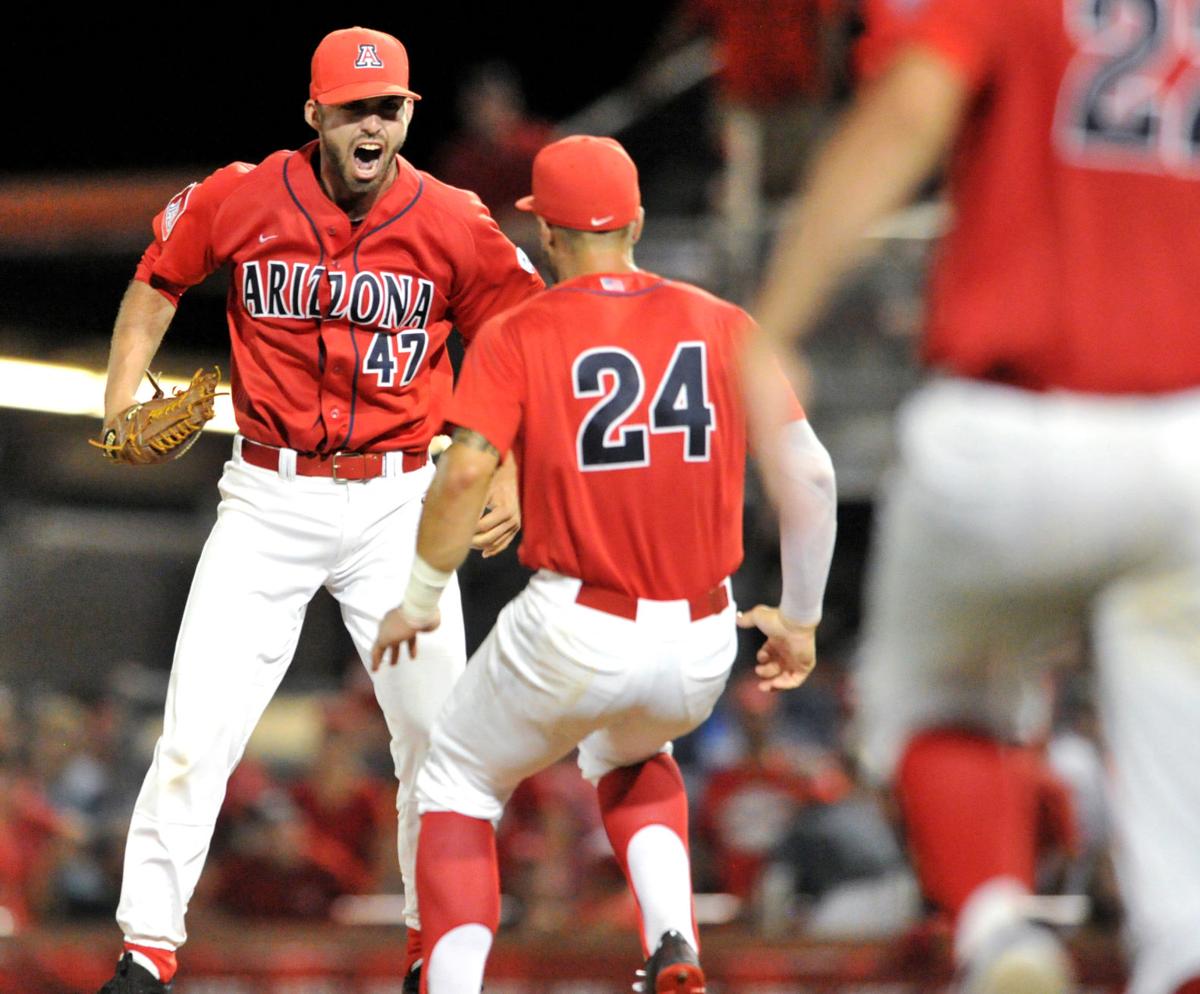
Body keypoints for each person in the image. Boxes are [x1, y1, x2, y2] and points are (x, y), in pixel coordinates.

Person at [749, 1, 1200, 993]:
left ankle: (998, 928)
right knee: (1185, 872)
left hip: (1011, 424)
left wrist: (773, 324)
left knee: (930, 705)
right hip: (1186, 441)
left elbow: (911, 111)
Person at [93, 26, 544, 994]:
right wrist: (121, 395)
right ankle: (145, 952)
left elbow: (521, 332)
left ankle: (438, 951)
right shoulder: (242, 194)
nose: (372, 123)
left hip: (400, 504)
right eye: (354, 108)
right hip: (268, 495)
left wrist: (507, 462)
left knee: (435, 740)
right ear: (316, 115)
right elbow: (157, 278)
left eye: (389, 107)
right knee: (195, 729)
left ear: (409, 114)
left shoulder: (456, 219)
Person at [370, 134, 838, 994]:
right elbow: (810, 472)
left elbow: (468, 467)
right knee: (628, 755)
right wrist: (799, 618)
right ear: (638, 223)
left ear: (544, 233)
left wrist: (422, 593)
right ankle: (672, 943)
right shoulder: (725, 323)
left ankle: (452, 985)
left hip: (580, 621)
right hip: (703, 636)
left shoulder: (522, 330)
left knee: (457, 783)